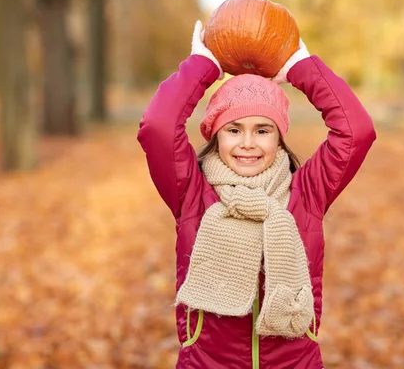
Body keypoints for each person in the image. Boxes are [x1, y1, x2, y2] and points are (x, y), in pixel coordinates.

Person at [137, 20, 376, 369]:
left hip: (294, 362)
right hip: (207, 362)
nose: (247, 143)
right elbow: (158, 127)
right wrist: (204, 66)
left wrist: (300, 67)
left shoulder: (306, 192)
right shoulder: (190, 190)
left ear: (279, 137)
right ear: (215, 135)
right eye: (233, 129)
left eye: (262, 130)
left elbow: (357, 132)